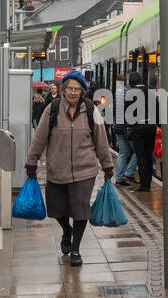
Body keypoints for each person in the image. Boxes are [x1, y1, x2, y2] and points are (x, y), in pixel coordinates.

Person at [25, 71, 114, 267]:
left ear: (82, 91)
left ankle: (75, 249)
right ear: (64, 90)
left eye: (77, 89)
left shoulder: (91, 111)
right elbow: (39, 138)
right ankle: (67, 231)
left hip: (85, 171)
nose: (73, 92)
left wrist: (107, 165)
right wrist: (31, 162)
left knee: (81, 210)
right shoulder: (52, 109)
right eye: (70, 89)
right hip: (57, 170)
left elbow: (101, 140)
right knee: (57, 210)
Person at [125, 73, 156, 193]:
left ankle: (144, 185)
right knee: (148, 155)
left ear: (131, 83)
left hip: (138, 129)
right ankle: (148, 181)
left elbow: (127, 113)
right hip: (151, 127)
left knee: (141, 157)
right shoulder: (151, 92)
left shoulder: (130, 94)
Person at [113, 77, 138, 186]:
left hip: (118, 127)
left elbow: (114, 110)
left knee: (123, 153)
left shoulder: (117, 94)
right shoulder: (128, 94)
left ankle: (119, 178)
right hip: (128, 128)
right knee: (138, 151)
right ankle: (129, 172)